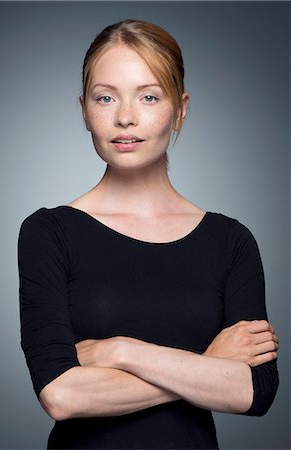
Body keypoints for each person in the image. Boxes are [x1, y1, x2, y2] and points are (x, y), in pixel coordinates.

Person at [18, 19, 279, 450]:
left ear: (181, 108)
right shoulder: (49, 233)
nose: (124, 117)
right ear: (84, 110)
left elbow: (255, 391)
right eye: (106, 98)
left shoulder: (231, 242)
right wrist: (208, 365)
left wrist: (121, 350)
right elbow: (61, 395)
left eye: (149, 96)